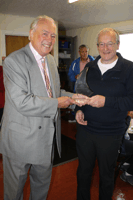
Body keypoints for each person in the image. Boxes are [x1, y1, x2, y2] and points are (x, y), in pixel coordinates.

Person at [0, 15, 89, 200]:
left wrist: (73, 97)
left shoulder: (50, 61)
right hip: (20, 142)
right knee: (13, 192)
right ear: (31, 34)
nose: (49, 39)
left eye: (53, 35)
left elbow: (54, 92)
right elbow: (22, 102)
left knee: (40, 190)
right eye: (45, 33)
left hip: (46, 140)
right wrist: (58, 103)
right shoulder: (13, 61)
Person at [75, 28, 133, 200]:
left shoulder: (129, 68)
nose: (105, 48)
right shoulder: (90, 67)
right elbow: (81, 91)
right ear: (97, 45)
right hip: (85, 131)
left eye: (110, 43)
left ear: (117, 44)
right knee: (83, 173)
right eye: (102, 44)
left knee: (106, 177)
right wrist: (79, 109)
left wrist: (106, 101)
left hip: (110, 133)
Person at [120, 111, 133, 186]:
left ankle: (127, 163)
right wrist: (128, 115)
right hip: (117, 143)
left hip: (122, 137)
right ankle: (128, 174)